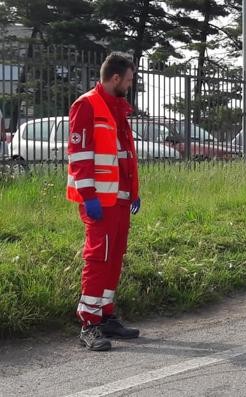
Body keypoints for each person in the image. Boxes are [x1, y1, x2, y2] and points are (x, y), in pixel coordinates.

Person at [66, 52, 142, 351]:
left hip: (119, 199)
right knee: (99, 259)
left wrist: (133, 191)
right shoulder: (86, 105)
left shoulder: (117, 108)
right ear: (115, 78)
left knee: (114, 257)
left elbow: (123, 154)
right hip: (99, 200)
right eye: (129, 79)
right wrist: (89, 197)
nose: (130, 83)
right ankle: (89, 322)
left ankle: (106, 315)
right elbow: (79, 157)